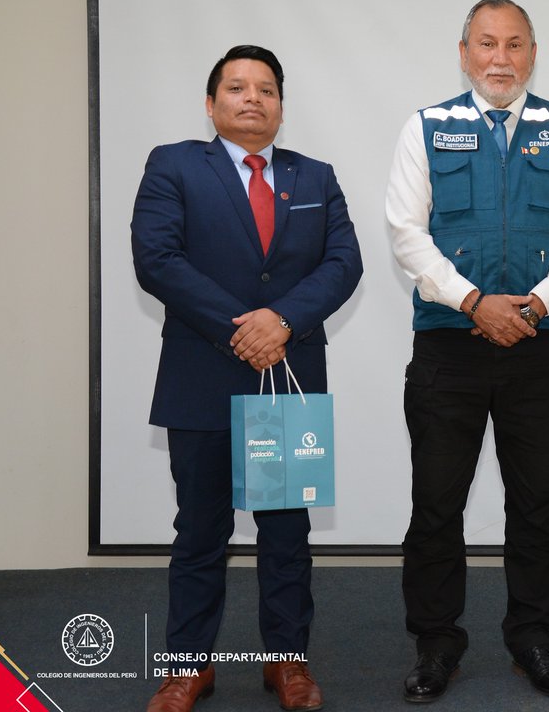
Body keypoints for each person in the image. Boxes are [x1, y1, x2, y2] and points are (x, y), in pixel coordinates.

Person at [385, 0, 549, 703]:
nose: (500, 58)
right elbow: (405, 231)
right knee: (436, 504)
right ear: (463, 53)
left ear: (532, 54)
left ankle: (533, 638)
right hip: (449, 348)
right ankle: (435, 644)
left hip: (539, 348)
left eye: (515, 44)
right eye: (487, 43)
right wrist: (474, 303)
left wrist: (539, 304)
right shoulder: (427, 128)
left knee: (534, 502)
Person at [131, 45, 363, 712]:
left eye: (265, 89)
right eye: (236, 87)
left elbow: (343, 263)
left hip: (285, 384)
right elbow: (157, 259)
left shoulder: (314, 177)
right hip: (203, 376)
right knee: (199, 531)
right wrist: (245, 328)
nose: (252, 98)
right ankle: (187, 667)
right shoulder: (174, 165)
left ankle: (287, 662)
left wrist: (282, 321)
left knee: (286, 533)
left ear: (281, 107)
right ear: (212, 104)